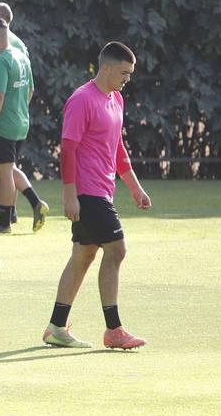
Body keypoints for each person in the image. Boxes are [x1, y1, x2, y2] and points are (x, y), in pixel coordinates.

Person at [42, 42, 152, 350]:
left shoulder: (116, 99)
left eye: (129, 74)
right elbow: (68, 149)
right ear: (105, 68)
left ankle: (56, 327)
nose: (126, 79)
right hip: (87, 193)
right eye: (123, 73)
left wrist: (134, 187)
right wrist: (69, 195)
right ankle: (114, 329)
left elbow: (117, 149)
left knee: (84, 256)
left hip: (104, 191)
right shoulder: (81, 100)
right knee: (116, 250)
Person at [0, 1, 48, 229]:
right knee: (9, 169)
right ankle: (35, 203)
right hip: (21, 123)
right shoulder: (21, 57)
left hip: (4, 126)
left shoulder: (0, 60)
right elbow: (29, 89)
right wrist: (19, 109)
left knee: (4, 174)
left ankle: (4, 222)